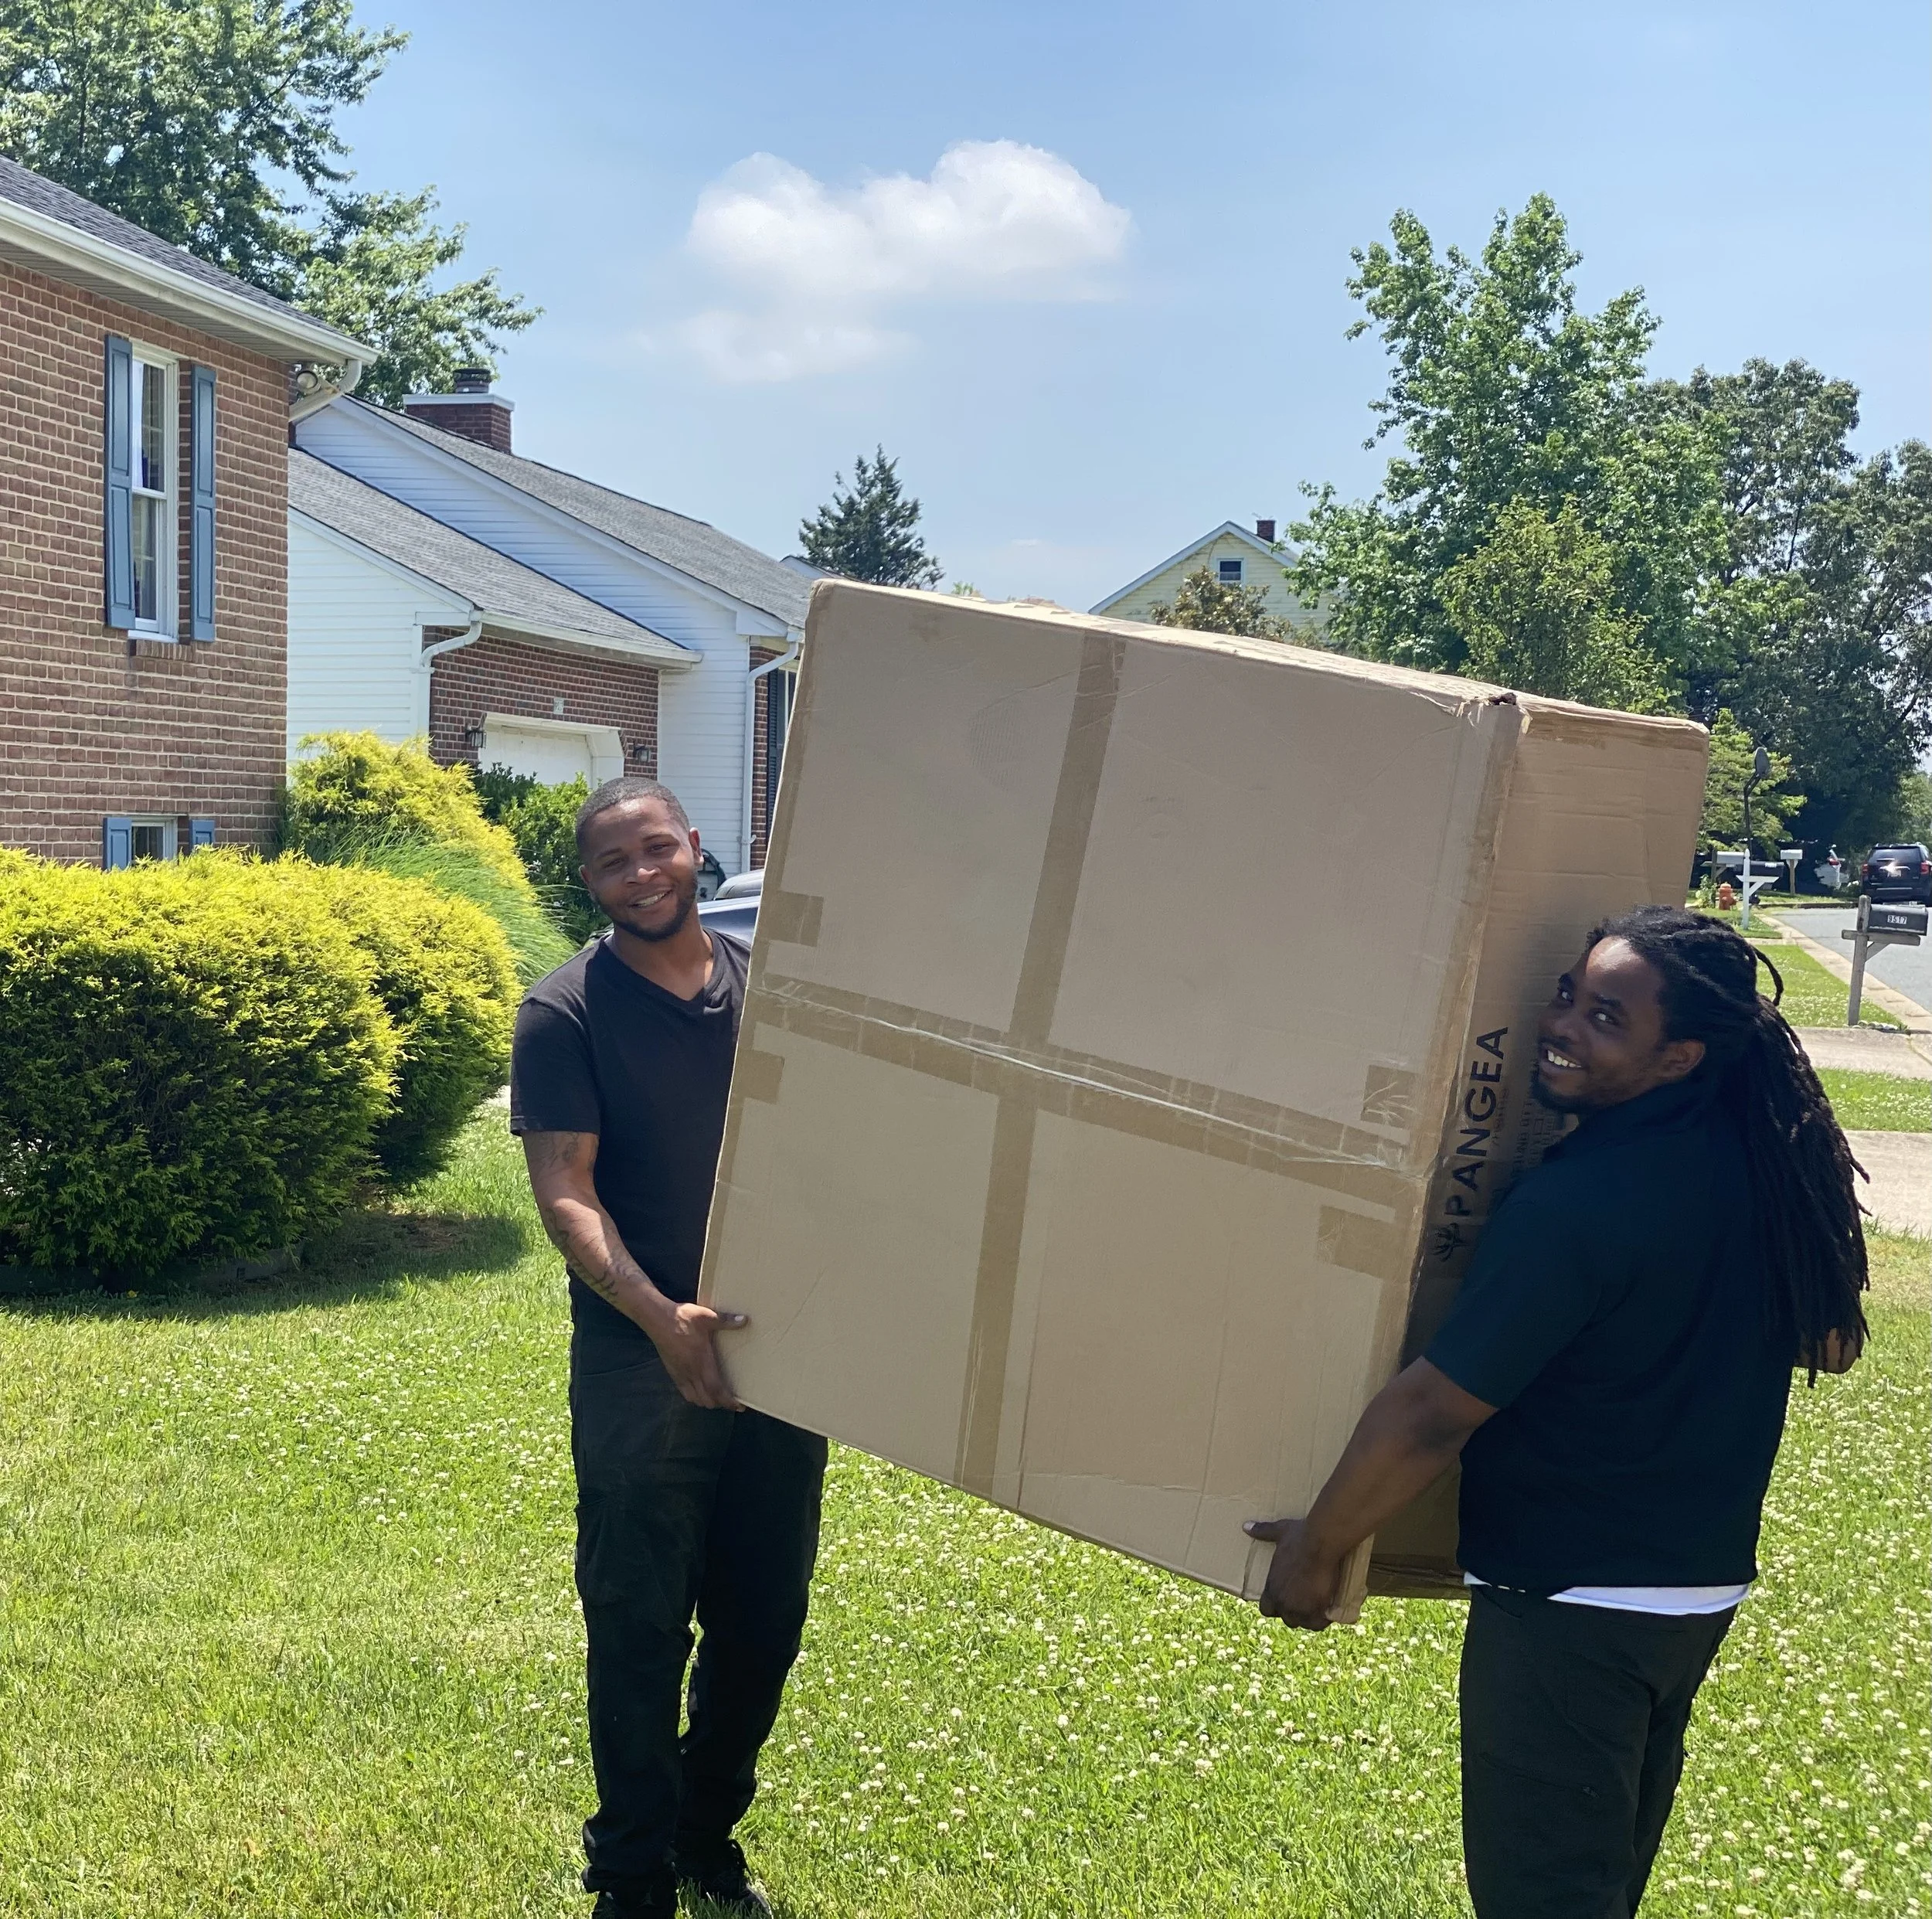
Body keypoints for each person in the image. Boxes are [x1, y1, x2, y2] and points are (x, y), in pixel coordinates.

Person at [1245, 906, 1868, 1919]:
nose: (1563, 1024)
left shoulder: (1577, 1206)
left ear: (1676, 1058)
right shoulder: (1759, 1171)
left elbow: (1434, 1414)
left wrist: (1322, 1545)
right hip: (1693, 1598)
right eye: (1569, 994)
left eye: (1606, 1017)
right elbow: (1830, 1343)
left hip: (1573, 1610)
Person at [510, 776, 826, 1919]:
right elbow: (566, 1192)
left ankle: (705, 1837)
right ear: (588, 883)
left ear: (697, 848)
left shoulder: (768, 993)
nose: (642, 874)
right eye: (613, 863)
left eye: (657, 849)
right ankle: (631, 1872)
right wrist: (659, 1316)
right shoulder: (566, 1012)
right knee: (640, 1622)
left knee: (764, 1619)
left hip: (782, 1353)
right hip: (641, 1362)